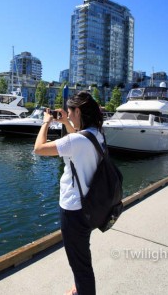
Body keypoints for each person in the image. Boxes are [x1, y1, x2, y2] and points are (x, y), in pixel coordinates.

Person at [34, 91, 104, 295]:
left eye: (70, 111)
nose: (68, 114)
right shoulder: (96, 134)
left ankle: (83, 290)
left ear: (78, 111)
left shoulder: (75, 141)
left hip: (73, 209)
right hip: (90, 205)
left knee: (79, 262)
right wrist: (65, 122)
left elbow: (38, 149)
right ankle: (79, 288)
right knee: (81, 254)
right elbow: (77, 137)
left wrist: (45, 122)